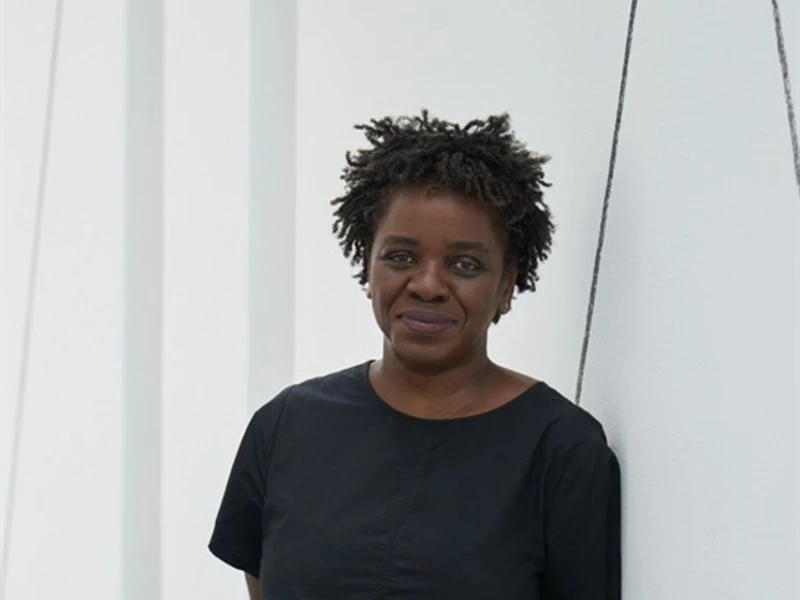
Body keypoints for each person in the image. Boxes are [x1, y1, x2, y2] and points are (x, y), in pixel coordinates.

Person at [209, 110, 621, 599]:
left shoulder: (562, 451)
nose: (427, 285)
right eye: (401, 256)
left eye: (464, 265)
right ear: (368, 267)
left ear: (507, 286)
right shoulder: (284, 428)